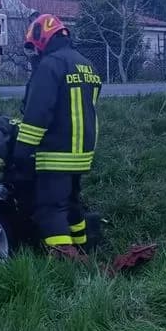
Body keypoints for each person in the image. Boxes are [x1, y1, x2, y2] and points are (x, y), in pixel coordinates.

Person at [13, 14, 101, 261]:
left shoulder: (50, 66)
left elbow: (38, 113)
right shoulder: (87, 65)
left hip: (55, 153)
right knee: (72, 205)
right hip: (82, 153)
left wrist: (21, 151)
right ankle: (85, 249)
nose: (35, 52)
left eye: (34, 46)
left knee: (50, 208)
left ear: (42, 37)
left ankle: (65, 259)